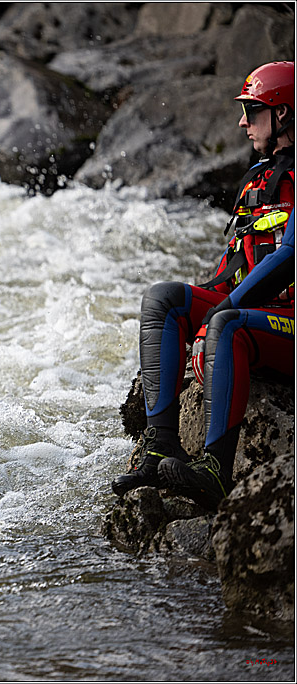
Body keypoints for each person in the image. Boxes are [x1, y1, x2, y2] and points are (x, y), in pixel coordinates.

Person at [112, 61, 295, 510]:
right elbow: (234, 266)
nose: (242, 122)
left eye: (252, 112)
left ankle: (215, 468)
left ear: (283, 114)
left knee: (226, 322)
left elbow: (289, 255)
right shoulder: (259, 177)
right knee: (164, 299)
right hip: (261, 311)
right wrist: (206, 306)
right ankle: (161, 445)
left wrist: (218, 311)